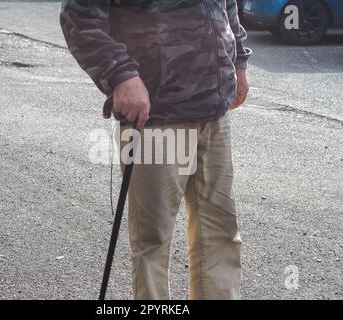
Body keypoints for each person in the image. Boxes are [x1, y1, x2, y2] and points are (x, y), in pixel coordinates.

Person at [60, 0, 252, 300]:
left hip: (213, 111)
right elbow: (79, 16)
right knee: (153, 240)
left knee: (220, 231)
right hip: (156, 117)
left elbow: (227, 5)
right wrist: (122, 76)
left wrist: (239, 61)